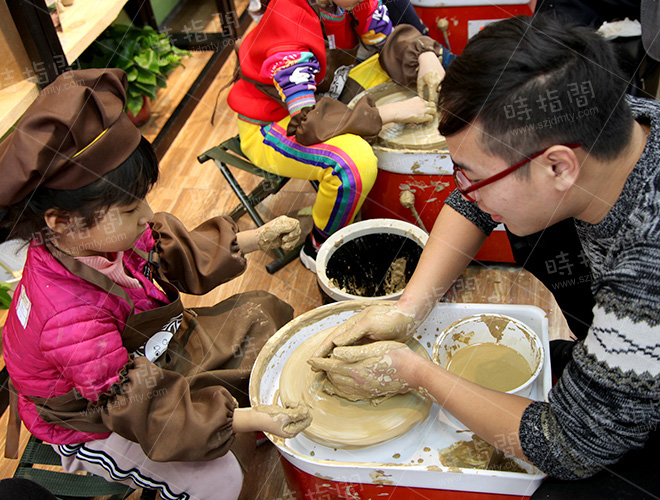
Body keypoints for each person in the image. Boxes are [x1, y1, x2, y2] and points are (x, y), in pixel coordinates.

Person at [308, 13, 660, 490]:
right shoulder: (612, 117)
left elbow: (570, 444)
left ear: (558, 166)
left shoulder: (647, 276)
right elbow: (474, 204)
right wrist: (408, 310)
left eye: (469, 173)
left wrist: (417, 374)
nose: (460, 189)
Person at [0, 69, 311, 500]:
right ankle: (215, 435)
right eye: (130, 208)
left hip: (149, 354)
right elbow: (143, 406)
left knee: (264, 314)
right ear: (61, 221)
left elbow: (172, 254)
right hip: (100, 416)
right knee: (220, 479)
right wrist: (257, 419)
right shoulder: (67, 318)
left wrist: (256, 238)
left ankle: (222, 418)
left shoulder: (96, 237)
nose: (148, 214)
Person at [227, 0, 444, 272]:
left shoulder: (353, 2)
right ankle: (318, 246)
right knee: (353, 163)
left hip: (326, 94)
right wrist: (390, 113)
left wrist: (425, 55)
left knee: (408, 69)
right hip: (275, 121)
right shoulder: (289, 27)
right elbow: (307, 125)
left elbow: (387, 43)